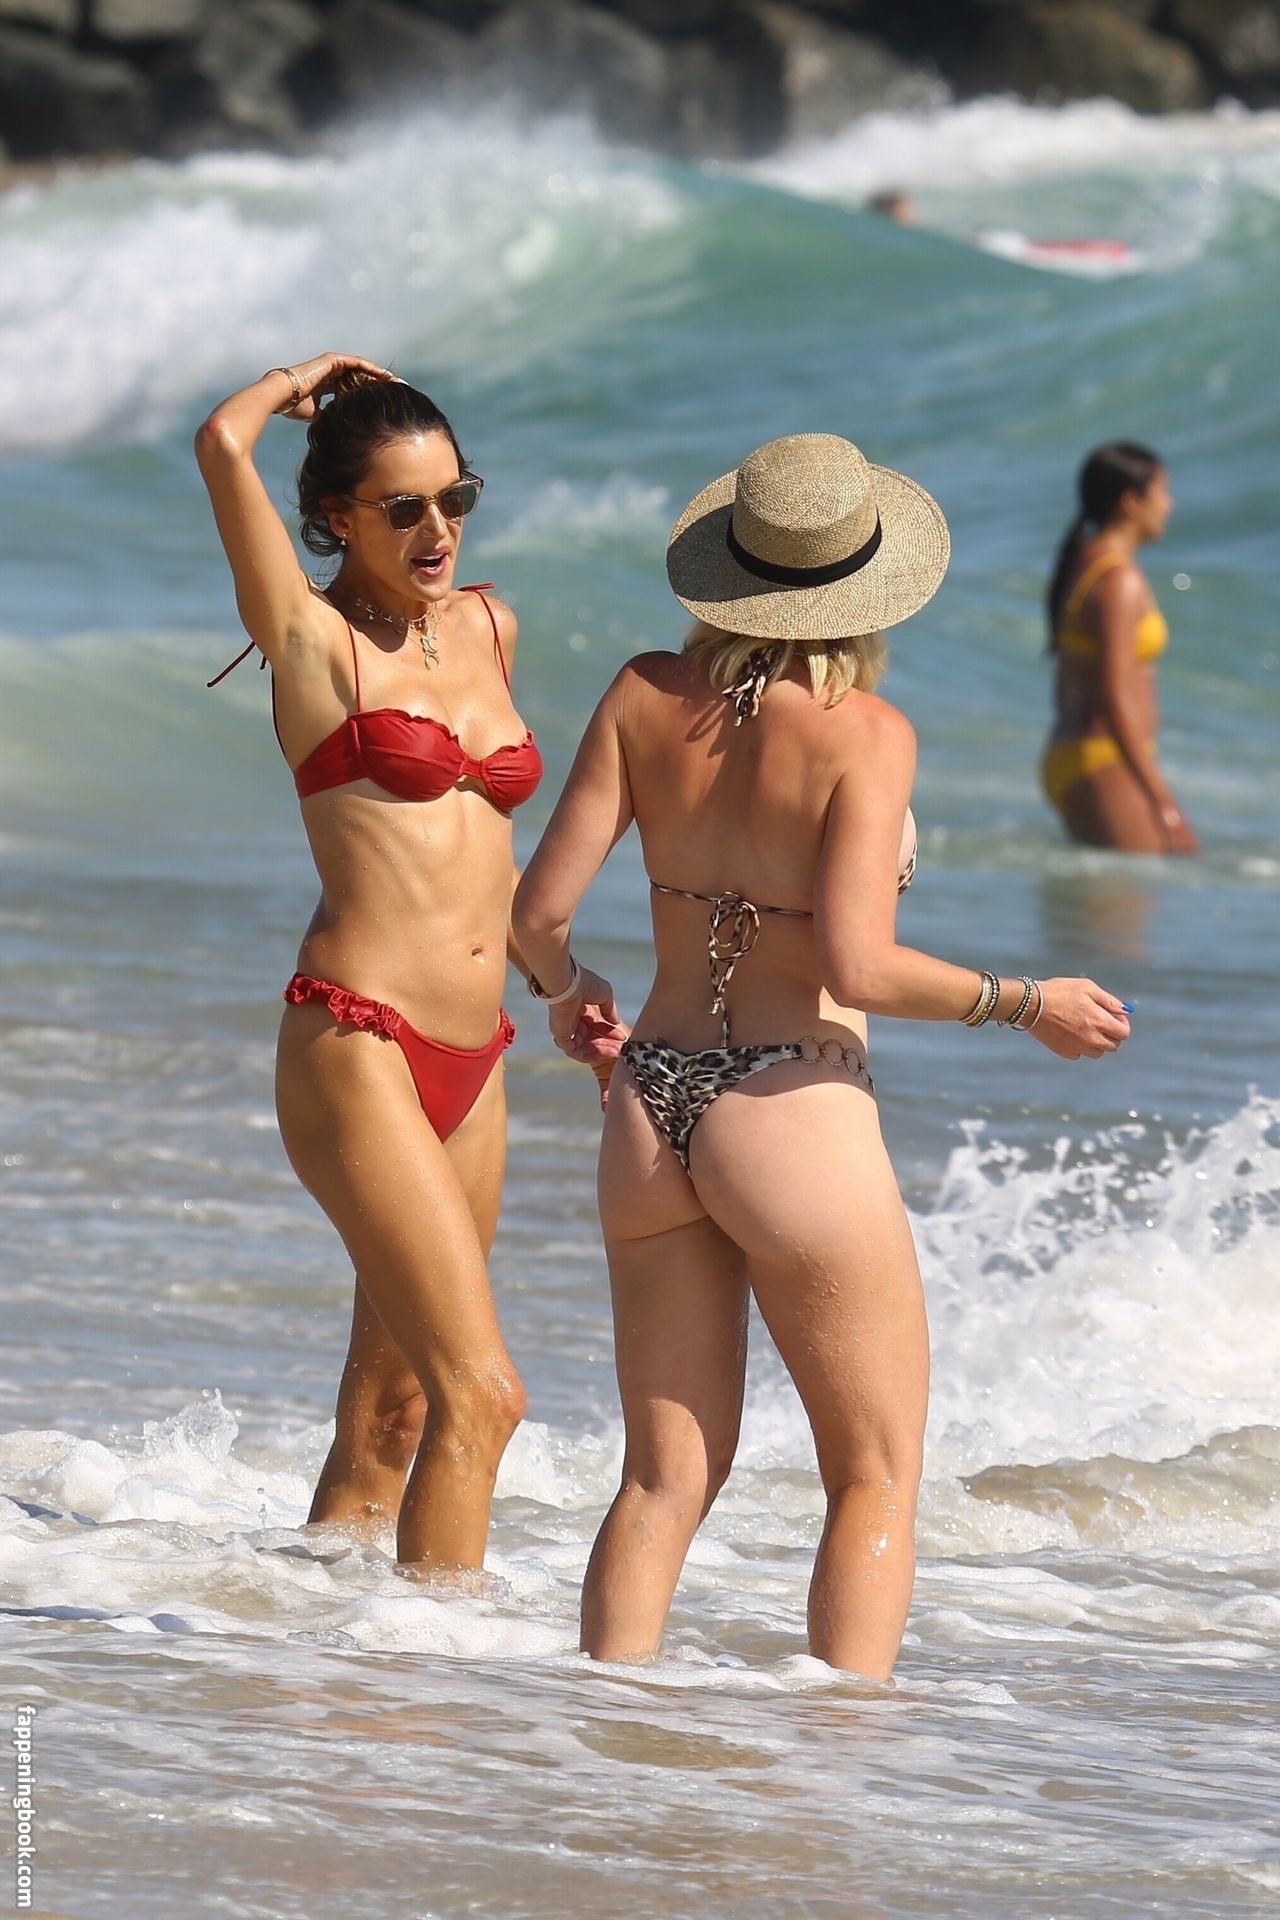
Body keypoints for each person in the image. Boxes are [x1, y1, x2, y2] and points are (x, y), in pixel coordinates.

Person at [513, 433, 1131, 1679]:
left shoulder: (640, 693)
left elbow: (534, 917)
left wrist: (571, 996)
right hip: (789, 1108)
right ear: (866, 587)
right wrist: (1025, 1001)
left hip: (649, 1103)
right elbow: (858, 964)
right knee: (874, 1474)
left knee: (660, 1480)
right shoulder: (866, 735)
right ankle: (839, 1767)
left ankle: (592, 1751)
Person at [196, 353, 614, 1576]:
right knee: (486, 1393)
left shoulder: (489, 625)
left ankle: (341, 1670)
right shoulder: (310, 641)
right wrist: (303, 377)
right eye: (402, 509)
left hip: (474, 1060)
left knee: (404, 1413)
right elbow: (222, 446)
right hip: (358, 1038)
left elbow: (483, 862)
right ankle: (443, 1667)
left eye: (455, 499)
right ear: (336, 517)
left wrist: (562, 984)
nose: (438, 531)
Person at [1041, 442, 1198, 854]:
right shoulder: (1119, 581)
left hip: (1073, 754)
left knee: (1100, 895)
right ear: (1131, 502)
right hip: (1106, 759)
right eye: (1162, 492)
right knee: (1133, 894)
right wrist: (1163, 801)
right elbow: (1114, 696)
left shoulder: (1082, 565)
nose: (1169, 504)